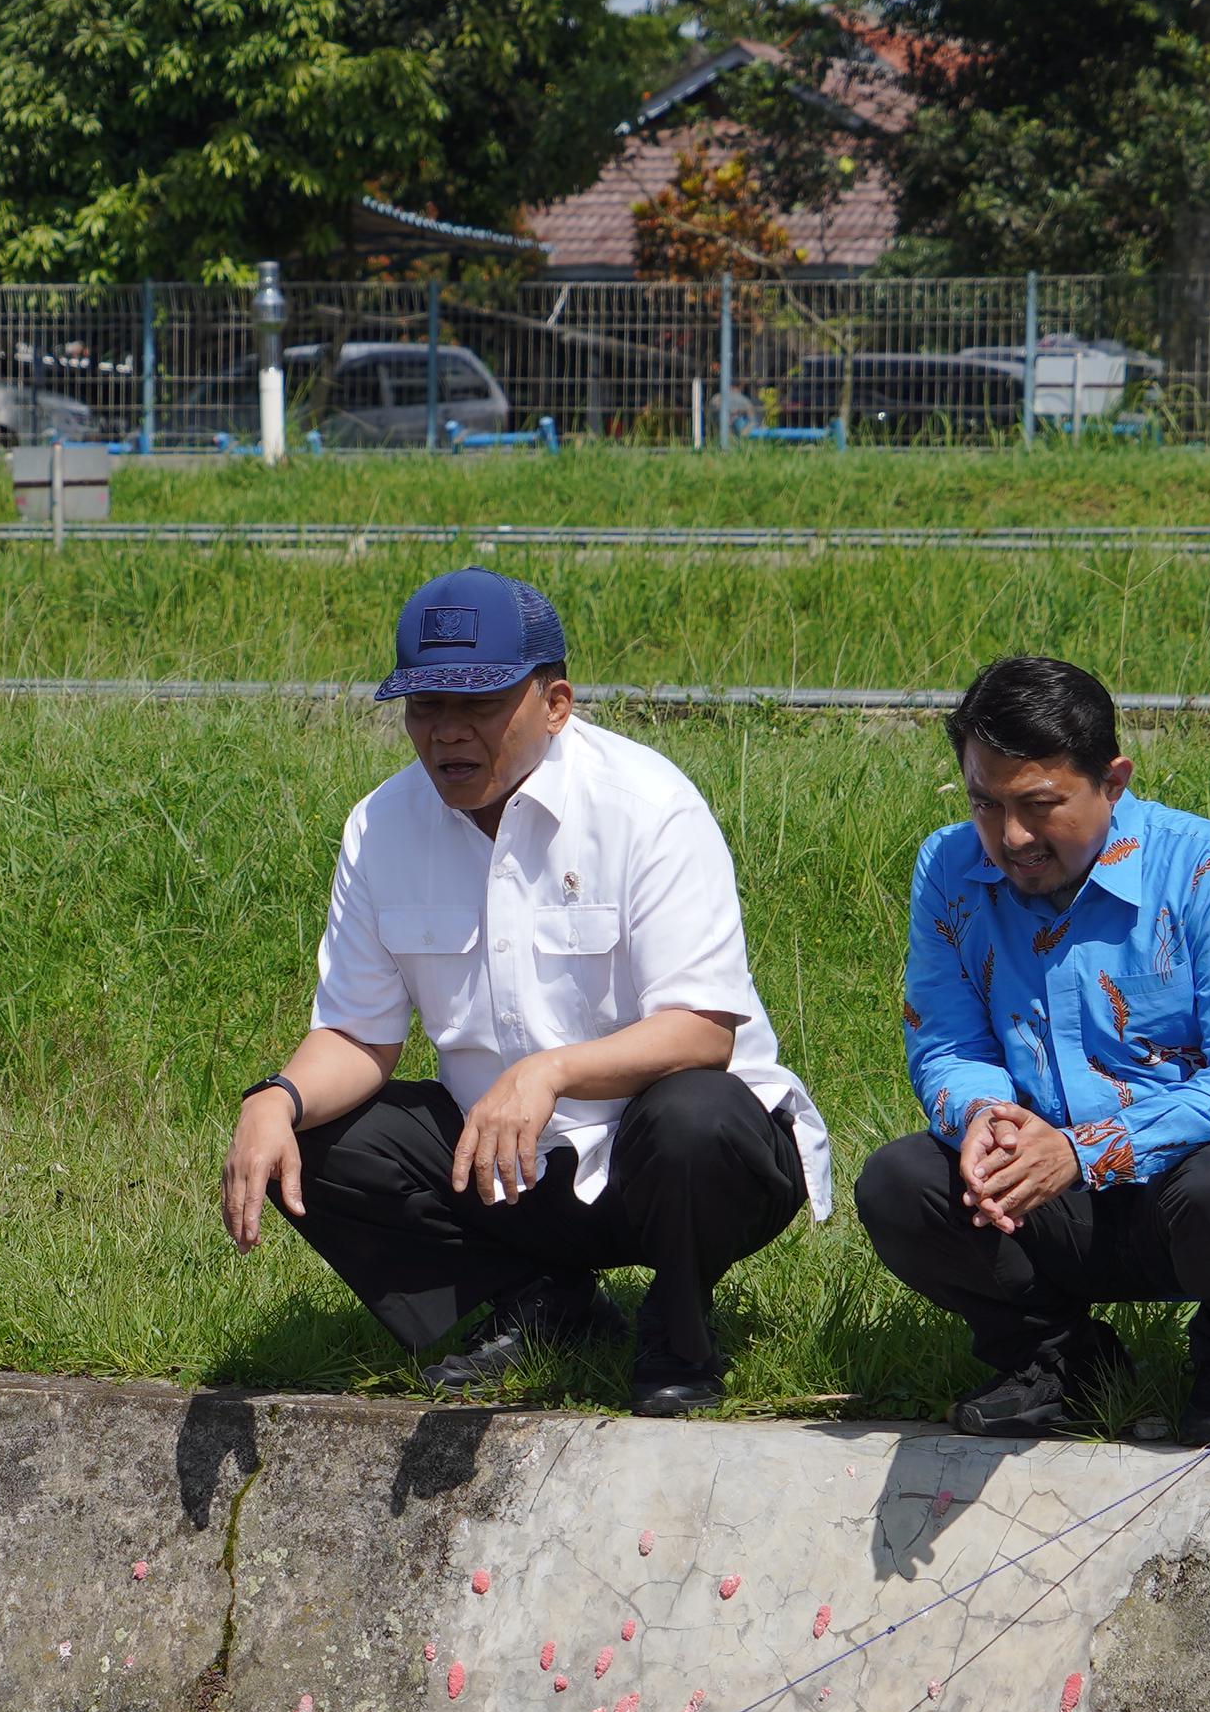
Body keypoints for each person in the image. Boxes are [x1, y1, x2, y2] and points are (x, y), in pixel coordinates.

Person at [219, 566, 827, 1417]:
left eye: (479, 705)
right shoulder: (381, 825)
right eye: (425, 708)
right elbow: (359, 1036)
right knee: (321, 1138)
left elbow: (703, 1032)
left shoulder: (648, 806)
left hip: (677, 1160)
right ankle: (537, 1302)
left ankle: (679, 1331)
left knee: (699, 1114)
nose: (447, 734)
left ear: (556, 702)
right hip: (506, 1166)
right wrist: (275, 1099)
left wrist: (548, 1073)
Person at [855, 655, 1210, 1445]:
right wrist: (985, 1119)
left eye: (1040, 805)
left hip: (1189, 1182)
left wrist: (1083, 1152)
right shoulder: (948, 867)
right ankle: (1059, 1362)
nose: (1009, 837)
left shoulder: (1209, 870)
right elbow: (946, 1039)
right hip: (1045, 1188)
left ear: (1112, 781)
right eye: (984, 804)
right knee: (902, 1185)